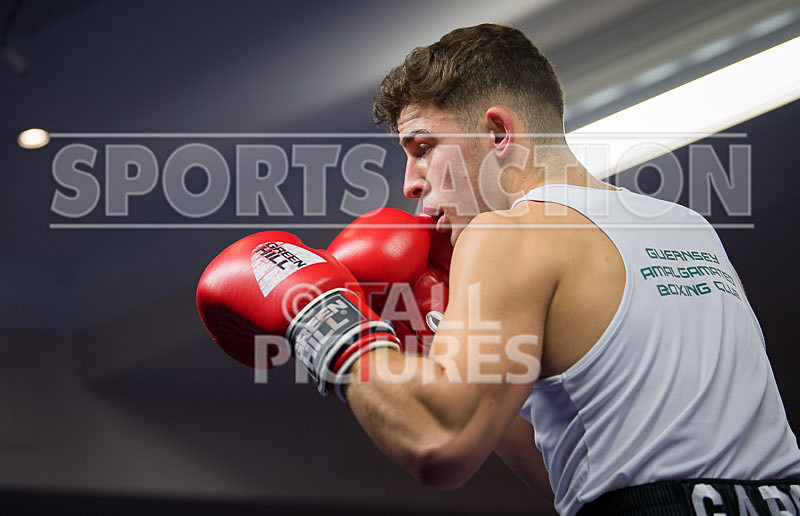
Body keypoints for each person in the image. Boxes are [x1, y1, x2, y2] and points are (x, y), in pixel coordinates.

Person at [197, 24, 800, 515]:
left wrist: (323, 316)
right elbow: (586, 475)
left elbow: (439, 443)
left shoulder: (506, 232)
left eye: (422, 147)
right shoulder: (688, 228)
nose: (410, 182)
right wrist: (432, 342)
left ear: (498, 132)